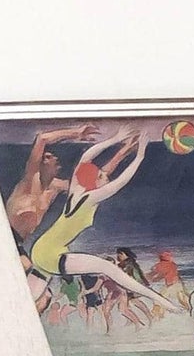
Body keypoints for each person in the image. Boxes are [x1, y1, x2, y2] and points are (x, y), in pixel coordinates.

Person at [27, 130, 177, 314]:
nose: (107, 177)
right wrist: (140, 155)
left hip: (40, 250)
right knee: (107, 267)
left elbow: (86, 157)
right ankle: (159, 300)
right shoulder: (91, 198)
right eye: (103, 176)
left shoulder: (76, 189)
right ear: (96, 181)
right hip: (51, 256)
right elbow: (121, 181)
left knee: (23, 301)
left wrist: (114, 139)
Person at [4, 122, 100, 244]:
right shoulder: (30, 180)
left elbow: (89, 187)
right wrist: (77, 133)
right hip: (4, 234)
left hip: (18, 242)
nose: (54, 158)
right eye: (46, 157)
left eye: (52, 156)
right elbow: (42, 138)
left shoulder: (56, 187)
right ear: (39, 164)